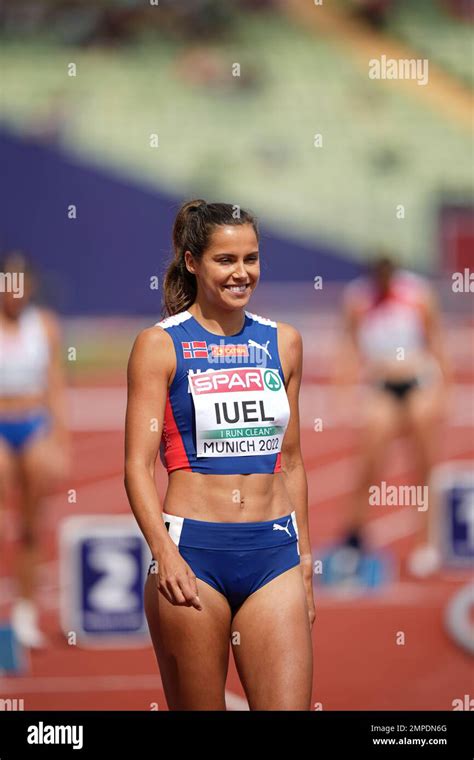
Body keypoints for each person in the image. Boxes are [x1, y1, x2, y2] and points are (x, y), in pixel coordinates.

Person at [124, 200, 315, 710]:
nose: (241, 273)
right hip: (193, 557)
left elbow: (291, 461)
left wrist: (305, 557)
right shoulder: (160, 346)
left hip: (274, 554)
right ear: (192, 262)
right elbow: (137, 465)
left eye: (250, 258)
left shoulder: (284, 342)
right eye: (225, 260)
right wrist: (164, 553)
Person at [334, 253, 451, 579]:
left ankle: (425, 544)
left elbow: (436, 339)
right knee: (368, 465)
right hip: (381, 386)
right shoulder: (359, 298)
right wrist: (342, 389)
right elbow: (348, 343)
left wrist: (444, 389)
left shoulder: (418, 293)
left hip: (418, 383)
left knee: (424, 466)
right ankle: (354, 539)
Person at [0, 251, 70, 648]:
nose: (14, 294)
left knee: (30, 522)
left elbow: (55, 386)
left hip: (32, 422)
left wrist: (60, 441)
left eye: (20, 285)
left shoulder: (43, 326)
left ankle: (25, 612)